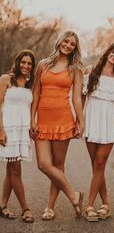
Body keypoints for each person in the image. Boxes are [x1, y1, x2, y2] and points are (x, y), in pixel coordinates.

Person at [30, 31, 85, 220]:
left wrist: (81, 121)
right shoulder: (43, 64)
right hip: (43, 120)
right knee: (44, 164)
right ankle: (73, 195)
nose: (68, 45)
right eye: (66, 41)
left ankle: (50, 208)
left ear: (75, 48)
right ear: (60, 41)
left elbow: (77, 98)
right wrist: (32, 118)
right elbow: (36, 92)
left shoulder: (75, 69)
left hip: (63, 119)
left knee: (58, 164)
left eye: (72, 44)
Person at [82, 42, 114, 221]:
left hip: (108, 122)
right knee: (96, 166)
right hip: (92, 120)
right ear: (108, 52)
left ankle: (90, 205)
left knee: (100, 164)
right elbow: (81, 97)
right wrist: (80, 121)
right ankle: (106, 204)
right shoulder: (90, 71)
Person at [0, 50, 35, 222]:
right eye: (23, 62)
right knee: (16, 170)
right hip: (7, 129)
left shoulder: (31, 84)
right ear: (17, 62)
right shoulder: (6, 79)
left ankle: (3, 205)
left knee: (10, 169)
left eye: (29, 63)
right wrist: (0, 130)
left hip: (22, 130)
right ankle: (25, 208)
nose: (25, 66)